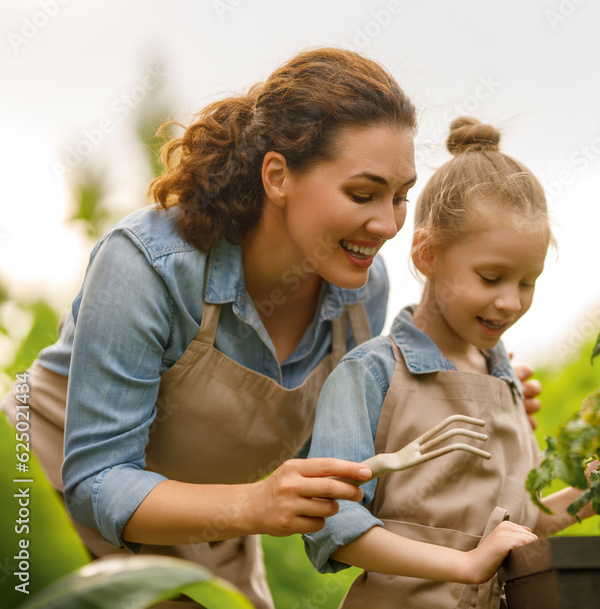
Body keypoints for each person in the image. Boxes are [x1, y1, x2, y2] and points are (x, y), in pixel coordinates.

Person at [0, 50, 541, 608]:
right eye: (363, 194)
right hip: (45, 505)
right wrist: (255, 506)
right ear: (277, 175)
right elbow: (98, 481)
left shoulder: (361, 289)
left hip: (206, 530)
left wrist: (470, 398)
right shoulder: (149, 265)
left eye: (400, 196)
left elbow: (342, 453)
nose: (387, 225)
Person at [303, 117, 595, 609]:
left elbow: (531, 522)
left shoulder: (507, 383)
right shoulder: (371, 375)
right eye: (490, 277)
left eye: (527, 283)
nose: (509, 302)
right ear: (426, 253)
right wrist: (465, 563)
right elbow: (333, 524)